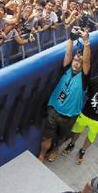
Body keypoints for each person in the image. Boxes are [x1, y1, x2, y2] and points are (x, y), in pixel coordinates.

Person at [38, 29, 91, 162]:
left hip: (70, 115)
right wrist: (71, 38)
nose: (76, 64)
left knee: (62, 137)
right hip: (54, 109)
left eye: (79, 62)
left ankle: (55, 150)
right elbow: (68, 53)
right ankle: (42, 155)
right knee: (47, 136)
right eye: (75, 61)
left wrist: (86, 42)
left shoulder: (84, 77)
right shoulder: (66, 69)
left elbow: (86, 62)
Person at [62, 56, 98, 164]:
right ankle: (72, 144)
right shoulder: (93, 81)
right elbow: (88, 94)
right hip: (85, 113)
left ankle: (83, 150)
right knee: (76, 131)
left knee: (91, 137)